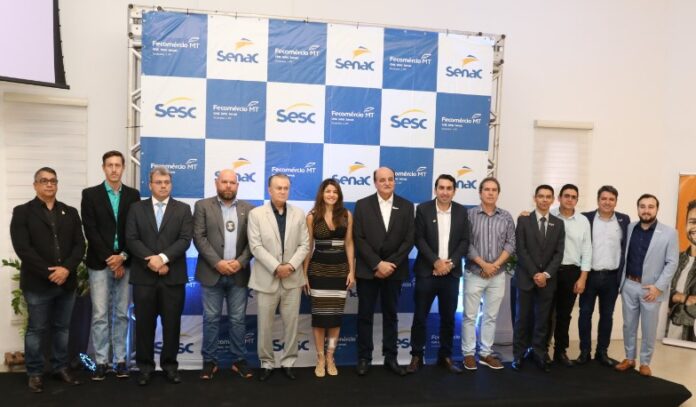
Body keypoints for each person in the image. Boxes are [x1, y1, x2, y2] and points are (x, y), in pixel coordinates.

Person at [10, 167, 86, 393]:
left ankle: (60, 367)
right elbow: (23, 248)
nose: (49, 184)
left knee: (62, 328)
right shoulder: (22, 212)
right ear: (35, 185)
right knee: (36, 329)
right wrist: (49, 272)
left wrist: (66, 269)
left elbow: (79, 245)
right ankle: (34, 372)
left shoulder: (70, 212)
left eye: (53, 180)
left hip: (66, 282)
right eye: (44, 180)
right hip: (37, 283)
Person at [125, 167, 193, 385]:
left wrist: (163, 259)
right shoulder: (136, 208)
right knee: (144, 325)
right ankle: (144, 368)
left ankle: (170, 367)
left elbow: (185, 240)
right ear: (150, 185)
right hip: (144, 278)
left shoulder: (183, 209)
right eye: (159, 182)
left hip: (172, 278)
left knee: (172, 325)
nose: (163, 186)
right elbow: (131, 239)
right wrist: (152, 262)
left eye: (167, 182)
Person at [81, 151, 141, 380]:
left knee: (122, 313)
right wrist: (111, 259)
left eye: (118, 165)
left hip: (125, 261)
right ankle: (101, 361)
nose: (114, 169)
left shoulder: (133, 195)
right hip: (99, 263)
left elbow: (134, 230)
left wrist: (122, 257)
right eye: (110, 165)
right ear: (103, 168)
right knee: (100, 314)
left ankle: (120, 360)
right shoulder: (90, 195)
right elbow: (91, 230)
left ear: (123, 168)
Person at [247, 173, 310, 382]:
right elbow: (255, 246)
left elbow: (305, 245)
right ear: (269, 190)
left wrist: (290, 266)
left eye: (286, 188)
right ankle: (266, 363)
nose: (282, 191)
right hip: (267, 278)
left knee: (292, 324)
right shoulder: (256, 214)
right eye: (278, 188)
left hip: (292, 279)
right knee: (264, 326)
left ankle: (289, 362)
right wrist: (276, 267)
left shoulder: (298, 213)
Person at [193, 169, 255, 380]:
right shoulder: (202, 206)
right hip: (212, 273)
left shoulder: (249, 209)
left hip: (238, 273)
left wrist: (240, 262)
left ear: (237, 185)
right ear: (216, 183)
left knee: (238, 319)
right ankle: (210, 361)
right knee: (211, 319)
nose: (228, 186)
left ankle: (239, 360)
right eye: (224, 182)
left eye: (232, 182)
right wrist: (217, 263)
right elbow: (199, 237)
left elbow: (253, 242)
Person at [353, 167, 415, 377]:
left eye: (390, 179)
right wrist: (377, 264)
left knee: (391, 316)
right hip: (368, 270)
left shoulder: (406, 206)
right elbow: (358, 238)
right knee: (365, 316)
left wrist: (390, 264)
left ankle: (391, 358)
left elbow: (409, 239)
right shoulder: (362, 205)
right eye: (382, 180)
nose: (387, 183)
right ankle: (364, 357)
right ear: (375, 183)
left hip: (394, 271)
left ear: (395, 181)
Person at [407, 174, 469, 374]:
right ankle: (417, 356)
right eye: (441, 188)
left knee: (449, 318)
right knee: (420, 317)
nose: (445, 192)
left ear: (454, 191)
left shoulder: (461, 211)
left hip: (451, 273)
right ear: (435, 190)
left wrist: (450, 263)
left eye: (449, 188)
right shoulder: (423, 209)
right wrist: (436, 261)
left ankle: (445, 356)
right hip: (427, 271)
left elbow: (465, 241)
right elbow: (419, 238)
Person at [616, 194, 678, 377]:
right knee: (628, 325)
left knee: (649, 328)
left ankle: (645, 362)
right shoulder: (630, 227)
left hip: (651, 289)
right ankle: (629, 358)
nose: (646, 210)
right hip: (629, 284)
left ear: (657, 209)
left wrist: (658, 287)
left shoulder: (669, 233)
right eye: (642, 206)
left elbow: (672, 262)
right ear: (637, 208)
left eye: (651, 207)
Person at [303, 179, 355, 377]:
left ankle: (330, 356)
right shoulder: (312, 216)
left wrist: (351, 271)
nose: (331, 194)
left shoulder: (346, 215)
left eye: (335, 191)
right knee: (319, 318)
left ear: (338, 195)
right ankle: (320, 358)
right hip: (318, 271)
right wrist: (304, 274)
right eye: (328, 191)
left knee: (334, 318)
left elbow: (349, 243)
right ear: (322, 194)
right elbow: (309, 247)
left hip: (340, 271)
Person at [462, 176, 515, 371]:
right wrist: (484, 265)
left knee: (490, 317)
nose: (490, 193)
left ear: (498, 194)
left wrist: (494, 266)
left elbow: (511, 243)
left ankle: (485, 353)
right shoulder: (469, 215)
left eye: (494, 190)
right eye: (487, 189)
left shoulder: (506, 216)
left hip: (497, 274)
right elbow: (466, 243)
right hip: (474, 273)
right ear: (480, 193)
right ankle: (468, 354)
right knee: (469, 316)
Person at [511, 185, 565, 373]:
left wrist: (545, 274)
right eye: (541, 196)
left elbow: (559, 253)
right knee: (522, 319)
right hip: (526, 278)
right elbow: (521, 249)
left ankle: (539, 353)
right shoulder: (524, 220)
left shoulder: (558, 224)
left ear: (553, 200)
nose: (544, 199)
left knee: (543, 320)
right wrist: (535, 273)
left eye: (548, 196)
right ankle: (518, 355)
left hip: (547, 281)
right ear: (535, 198)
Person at [576, 186, 630, 367]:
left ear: (616, 201)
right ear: (598, 200)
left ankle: (602, 352)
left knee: (607, 316)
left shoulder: (624, 220)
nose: (607, 202)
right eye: (604, 198)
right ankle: (584, 352)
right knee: (585, 314)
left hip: (612, 278)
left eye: (611, 199)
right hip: (589, 275)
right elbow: (565, 220)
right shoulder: (586, 218)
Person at [548, 184, 592, 367]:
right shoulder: (549, 215)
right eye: (566, 195)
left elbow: (587, 250)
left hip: (571, 272)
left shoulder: (583, 221)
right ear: (559, 198)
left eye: (574, 197)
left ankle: (560, 351)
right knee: (545, 313)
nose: (570, 199)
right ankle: (541, 350)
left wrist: (582, 278)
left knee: (564, 315)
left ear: (577, 200)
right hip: (549, 272)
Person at [666, 199, 696, 342]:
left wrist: (673, 305)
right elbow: (662, 291)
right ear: (685, 225)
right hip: (669, 334)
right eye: (692, 221)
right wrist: (682, 298)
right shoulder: (675, 259)